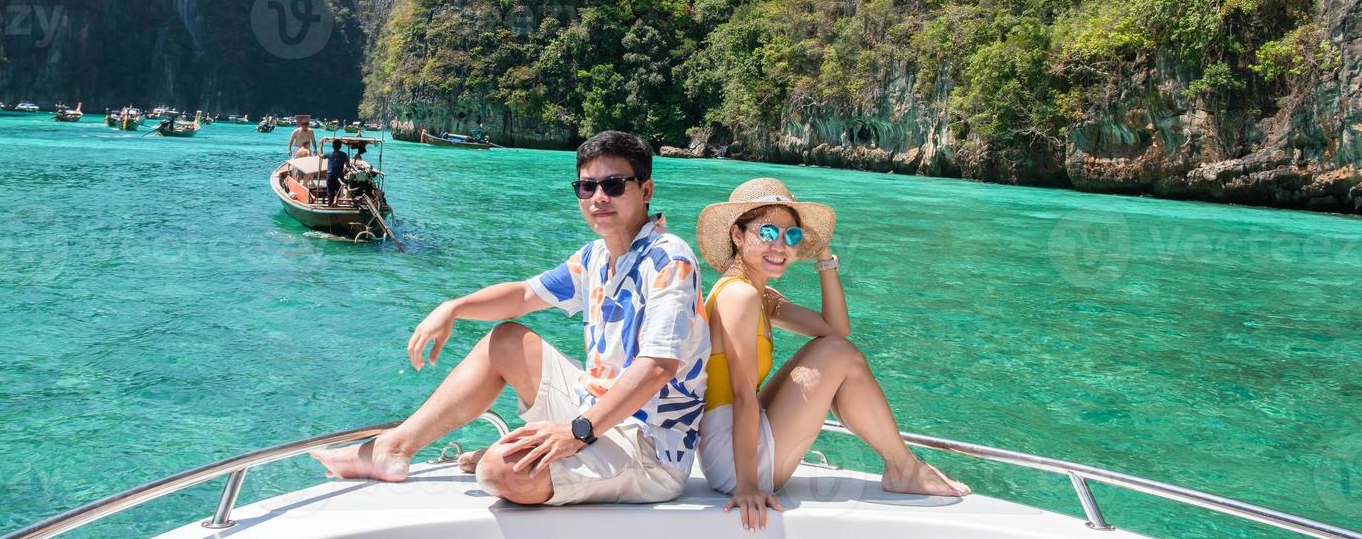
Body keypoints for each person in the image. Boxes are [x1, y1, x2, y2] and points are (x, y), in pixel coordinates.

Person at [311, 130, 710, 507]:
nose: (598, 198)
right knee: (505, 340)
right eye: (587, 187)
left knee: (501, 472)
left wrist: (578, 431)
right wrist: (453, 307)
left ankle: (538, 454)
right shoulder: (597, 257)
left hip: (649, 448)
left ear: (646, 190)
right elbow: (521, 295)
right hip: (599, 411)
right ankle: (392, 449)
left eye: (614, 185)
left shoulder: (667, 259)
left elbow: (658, 366)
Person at [695, 177, 969, 531]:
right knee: (837, 354)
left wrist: (825, 257)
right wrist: (748, 485)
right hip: (735, 461)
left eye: (792, 236)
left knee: (833, 349)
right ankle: (903, 466)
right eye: (766, 233)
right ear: (737, 234)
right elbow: (743, 395)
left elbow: (834, 327)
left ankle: (903, 465)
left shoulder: (759, 295)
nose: (780, 245)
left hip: (735, 443)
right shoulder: (740, 297)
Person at [325, 140, 350, 207]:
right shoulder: (344, 154)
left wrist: (321, 146)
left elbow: (321, 155)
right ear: (340, 146)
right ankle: (336, 202)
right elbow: (347, 165)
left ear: (333, 146)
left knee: (330, 192)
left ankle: (330, 205)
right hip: (339, 175)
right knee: (338, 190)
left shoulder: (329, 153)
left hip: (330, 175)